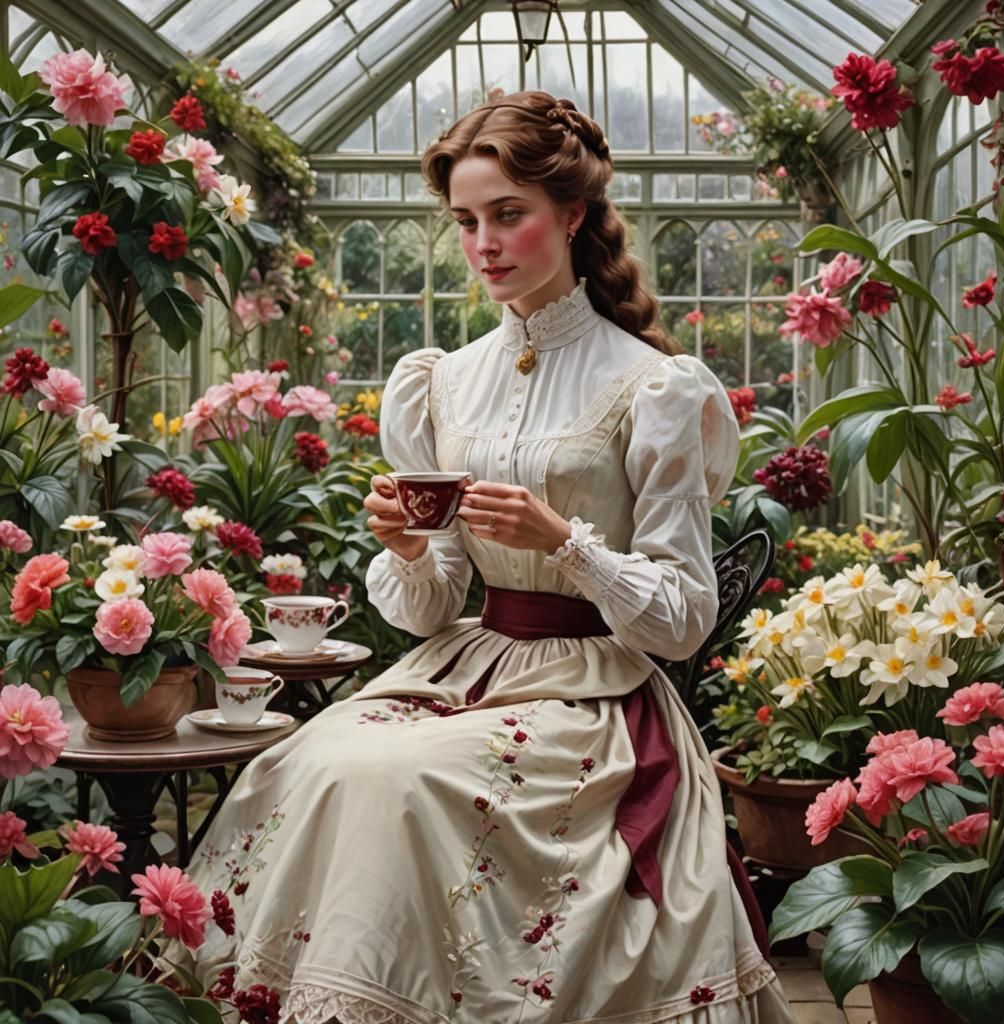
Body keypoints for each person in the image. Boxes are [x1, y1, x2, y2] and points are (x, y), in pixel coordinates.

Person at [170, 91, 796, 1023]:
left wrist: (569, 545)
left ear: (572, 215)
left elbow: (683, 620)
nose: (485, 242)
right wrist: (411, 547)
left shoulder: (656, 386)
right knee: (312, 761)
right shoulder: (440, 381)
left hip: (595, 694)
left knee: (397, 779)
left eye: (509, 214)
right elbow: (426, 611)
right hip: (464, 664)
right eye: (467, 221)